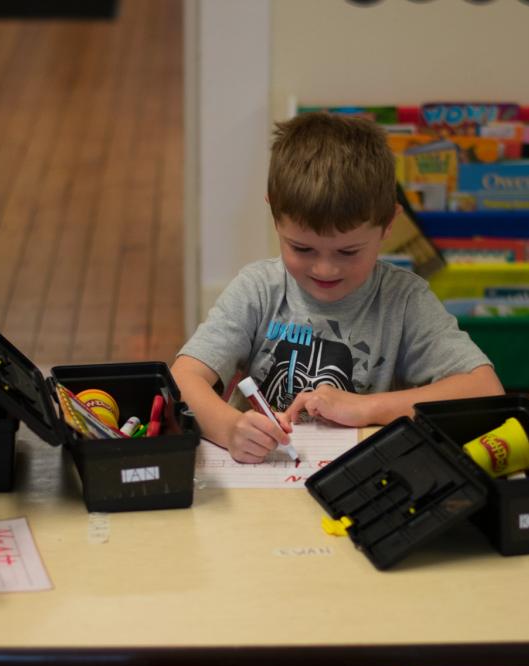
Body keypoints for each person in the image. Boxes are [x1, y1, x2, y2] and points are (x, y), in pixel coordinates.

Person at [172, 112, 503, 463]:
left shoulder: (404, 301)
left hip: (364, 481)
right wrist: (230, 429)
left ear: (389, 223)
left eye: (348, 251)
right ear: (274, 213)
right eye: (302, 248)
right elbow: (182, 379)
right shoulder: (258, 289)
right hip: (263, 483)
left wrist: (366, 407)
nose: (325, 268)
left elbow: (485, 391)